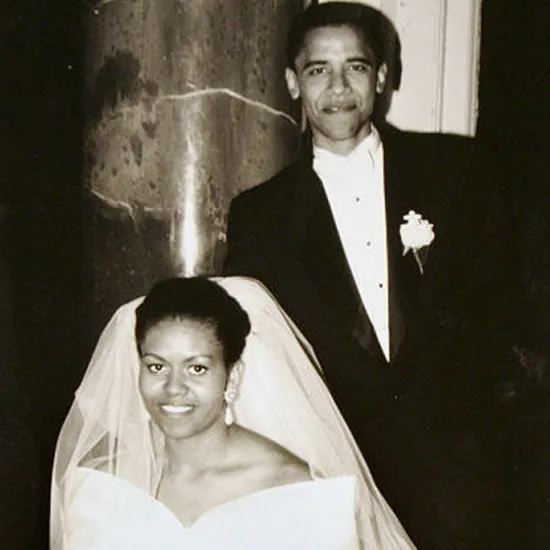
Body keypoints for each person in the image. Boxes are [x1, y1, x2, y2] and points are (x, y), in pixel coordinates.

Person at [224, 3, 504, 548]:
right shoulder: (259, 214)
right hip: (338, 473)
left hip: (467, 471)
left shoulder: (457, 171)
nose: (338, 87)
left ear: (380, 76)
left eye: (355, 66)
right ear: (291, 83)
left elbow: (503, 306)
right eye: (317, 70)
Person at [51, 276, 416, 549]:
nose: (173, 388)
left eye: (197, 368)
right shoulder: (100, 486)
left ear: (232, 374)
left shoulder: (297, 492)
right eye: (157, 366)